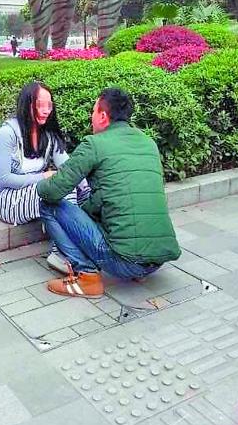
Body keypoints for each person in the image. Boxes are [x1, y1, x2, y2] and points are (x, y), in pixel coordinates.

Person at [37, 87, 181, 298]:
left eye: (93, 111)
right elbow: (112, 196)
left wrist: (42, 181)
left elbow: (52, 191)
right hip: (158, 260)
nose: (91, 117)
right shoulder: (148, 143)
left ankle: (87, 276)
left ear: (103, 116)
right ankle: (139, 270)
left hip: (123, 261)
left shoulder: (94, 144)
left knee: (48, 205)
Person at [0, 81, 88, 272]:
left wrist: (85, 186)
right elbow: (4, 179)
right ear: (27, 105)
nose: (45, 110)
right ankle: (60, 254)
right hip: (7, 199)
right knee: (61, 189)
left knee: (79, 189)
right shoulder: (7, 134)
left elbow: (68, 167)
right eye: (40, 105)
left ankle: (78, 246)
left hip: (36, 194)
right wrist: (43, 177)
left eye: (49, 105)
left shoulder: (48, 135)